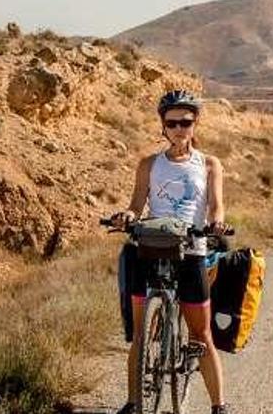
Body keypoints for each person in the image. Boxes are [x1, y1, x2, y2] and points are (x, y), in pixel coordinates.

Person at [110, 90, 230, 414]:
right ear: (163, 126)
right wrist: (127, 217)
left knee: (201, 334)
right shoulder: (149, 164)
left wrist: (217, 224)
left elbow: (216, 207)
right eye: (172, 123)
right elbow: (136, 204)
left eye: (185, 122)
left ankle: (219, 406)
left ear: (195, 124)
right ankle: (134, 403)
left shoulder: (208, 164)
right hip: (151, 247)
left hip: (192, 250)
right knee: (141, 334)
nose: (179, 128)